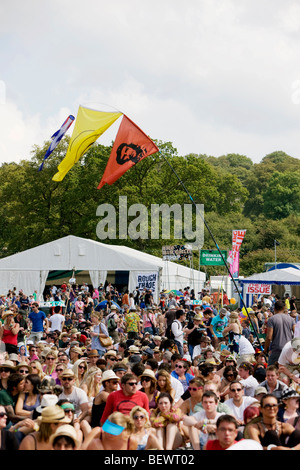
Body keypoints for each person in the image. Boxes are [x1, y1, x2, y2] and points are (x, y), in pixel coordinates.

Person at [264, 300, 295, 365]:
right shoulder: (291, 319)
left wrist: (265, 350)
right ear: (284, 308)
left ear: (274, 309)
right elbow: (296, 334)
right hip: (289, 348)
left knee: (272, 370)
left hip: (277, 349)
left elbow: (269, 337)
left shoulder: (272, 319)